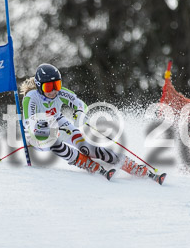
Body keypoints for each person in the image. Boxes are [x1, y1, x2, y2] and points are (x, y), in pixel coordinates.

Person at [21, 63, 164, 184]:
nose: (53, 91)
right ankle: (86, 163)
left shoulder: (61, 93)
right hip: (38, 134)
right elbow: (29, 122)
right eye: (48, 87)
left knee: (87, 148)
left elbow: (79, 104)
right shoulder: (31, 98)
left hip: (58, 122)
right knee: (52, 140)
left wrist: (79, 113)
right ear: (39, 86)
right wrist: (40, 127)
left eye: (56, 85)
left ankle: (133, 167)